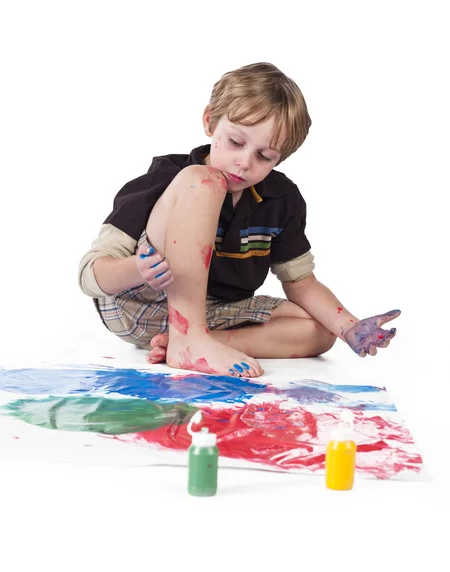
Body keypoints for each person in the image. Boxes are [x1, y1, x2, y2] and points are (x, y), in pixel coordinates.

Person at [78, 62, 400, 378]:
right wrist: (138, 268)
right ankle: (189, 338)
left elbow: (301, 283)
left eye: (264, 156)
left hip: (215, 311)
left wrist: (349, 326)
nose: (244, 163)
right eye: (235, 142)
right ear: (210, 122)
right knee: (206, 182)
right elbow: (90, 275)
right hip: (138, 305)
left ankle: (187, 342)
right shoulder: (167, 178)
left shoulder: (282, 199)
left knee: (319, 331)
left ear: (280, 158)